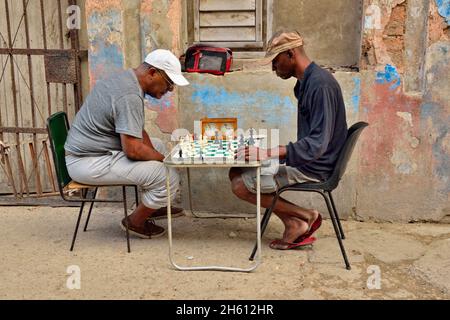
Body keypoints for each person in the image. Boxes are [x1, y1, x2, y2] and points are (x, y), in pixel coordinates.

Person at [230, 31, 348, 250]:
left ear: (291, 54)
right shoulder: (306, 82)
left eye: (276, 61)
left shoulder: (320, 85)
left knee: (240, 185)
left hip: (315, 167)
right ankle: (293, 222)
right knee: (237, 170)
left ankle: (305, 215)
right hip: (311, 159)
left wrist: (267, 153)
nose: (274, 68)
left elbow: (317, 144)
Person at [65, 49, 189, 239]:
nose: (170, 89)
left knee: (158, 146)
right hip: (86, 162)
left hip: (94, 153)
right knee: (167, 175)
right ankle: (135, 221)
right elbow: (133, 150)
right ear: (152, 73)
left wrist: (158, 154)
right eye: (169, 82)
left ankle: (153, 206)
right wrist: (165, 161)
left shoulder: (126, 80)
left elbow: (138, 130)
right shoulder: (129, 95)